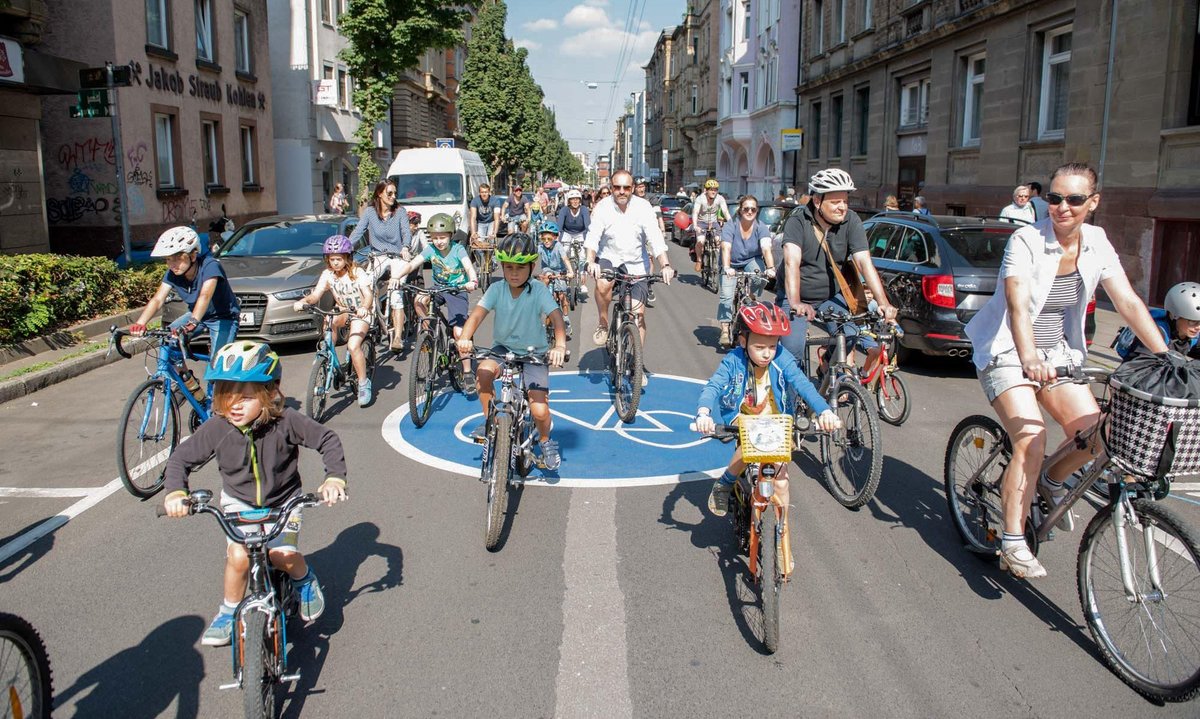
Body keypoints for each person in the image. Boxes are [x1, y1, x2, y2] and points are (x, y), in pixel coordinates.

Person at [964, 162, 1169, 580]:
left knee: (1100, 433)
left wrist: (1165, 357)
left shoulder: (1096, 241)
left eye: (1074, 199)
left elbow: (1127, 302)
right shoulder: (1026, 239)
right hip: (1008, 350)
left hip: (1059, 352)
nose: (1062, 207)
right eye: (1054, 198)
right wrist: (1028, 357)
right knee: (1032, 437)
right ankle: (1012, 539)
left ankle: (1050, 481)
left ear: (1092, 203)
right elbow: (1018, 304)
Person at [162, 341, 348, 646]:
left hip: (284, 501)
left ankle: (304, 581)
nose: (234, 405)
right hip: (239, 502)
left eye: (246, 398)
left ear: (270, 394)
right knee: (238, 557)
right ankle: (228, 611)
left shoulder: (286, 421)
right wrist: (175, 493)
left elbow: (326, 439)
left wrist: (334, 479)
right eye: (226, 396)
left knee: (282, 554)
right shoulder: (217, 428)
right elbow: (181, 459)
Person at [695, 302, 840, 522]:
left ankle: (783, 541)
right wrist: (704, 413)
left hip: (776, 419)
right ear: (743, 341)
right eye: (760, 347)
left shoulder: (782, 358)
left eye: (772, 347)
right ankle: (725, 483)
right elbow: (713, 386)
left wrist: (824, 411)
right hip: (743, 415)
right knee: (749, 444)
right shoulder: (734, 360)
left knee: (781, 481)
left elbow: (803, 384)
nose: (767, 354)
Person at [457, 233, 567, 470]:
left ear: (531, 266)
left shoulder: (538, 290)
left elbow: (556, 317)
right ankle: (491, 422)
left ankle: (546, 441)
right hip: (503, 349)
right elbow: (477, 314)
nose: (513, 273)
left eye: (519, 267)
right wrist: (465, 337)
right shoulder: (497, 289)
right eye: (508, 267)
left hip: (534, 353)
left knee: (539, 410)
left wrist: (559, 345)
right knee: (484, 373)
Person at [777, 168, 897, 370]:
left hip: (829, 297)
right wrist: (796, 302)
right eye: (835, 202)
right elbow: (791, 262)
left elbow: (864, 263)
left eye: (845, 201)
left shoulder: (851, 220)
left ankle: (826, 365)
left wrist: (883, 303)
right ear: (817, 201)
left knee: (850, 335)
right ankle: (790, 398)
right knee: (793, 351)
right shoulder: (798, 221)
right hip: (795, 297)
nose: (842, 207)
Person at [585, 169, 676, 385]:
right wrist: (590, 261)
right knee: (603, 283)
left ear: (633, 188)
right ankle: (603, 322)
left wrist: (665, 264)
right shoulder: (603, 207)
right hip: (610, 257)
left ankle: (636, 362)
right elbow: (593, 237)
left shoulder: (643, 207)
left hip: (636, 263)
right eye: (617, 187)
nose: (622, 191)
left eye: (626, 187)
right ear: (611, 187)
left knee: (638, 314)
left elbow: (655, 238)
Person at [393, 212, 479, 388]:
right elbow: (411, 264)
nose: (438, 241)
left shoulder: (458, 249)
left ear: (450, 235)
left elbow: (469, 267)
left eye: (442, 237)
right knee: (418, 300)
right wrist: (397, 277)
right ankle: (430, 331)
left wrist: (472, 281)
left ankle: (468, 370)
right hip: (438, 288)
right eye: (434, 238)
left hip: (457, 290)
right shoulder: (431, 250)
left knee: (458, 332)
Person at [293, 235, 375, 406]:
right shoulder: (327, 274)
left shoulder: (357, 272)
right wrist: (303, 302)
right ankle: (328, 354)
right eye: (332, 259)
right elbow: (316, 295)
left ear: (347, 258)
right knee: (329, 321)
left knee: (353, 346)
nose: (335, 263)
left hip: (360, 313)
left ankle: (363, 383)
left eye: (339, 259)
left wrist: (364, 307)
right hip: (343, 310)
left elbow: (368, 295)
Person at [130, 226, 240, 354]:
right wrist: (140, 323)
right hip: (197, 316)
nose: (172, 265)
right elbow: (158, 299)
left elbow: (205, 295)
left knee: (218, 363)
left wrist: (193, 322)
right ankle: (181, 372)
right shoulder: (172, 273)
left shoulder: (210, 266)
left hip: (223, 318)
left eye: (177, 258)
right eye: (168, 259)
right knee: (167, 340)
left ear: (193, 256)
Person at [349, 180, 413, 351]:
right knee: (366, 283)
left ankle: (398, 337)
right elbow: (358, 231)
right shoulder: (370, 212)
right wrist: (345, 248)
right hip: (378, 256)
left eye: (394, 193)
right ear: (379, 194)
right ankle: (367, 321)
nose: (393, 197)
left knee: (395, 292)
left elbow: (406, 232)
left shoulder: (400, 212)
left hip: (398, 255)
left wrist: (406, 247)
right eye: (389, 193)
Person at [716, 195, 777, 348]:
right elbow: (726, 248)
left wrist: (770, 268)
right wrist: (727, 267)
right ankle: (724, 328)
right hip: (730, 261)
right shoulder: (731, 225)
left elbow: (766, 248)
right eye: (746, 209)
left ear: (757, 211)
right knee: (727, 296)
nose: (749, 212)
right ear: (740, 210)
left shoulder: (761, 227)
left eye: (753, 209)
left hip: (751, 260)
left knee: (760, 277)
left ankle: (750, 294)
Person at [1114, 282, 1200, 360]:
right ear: (1174, 315)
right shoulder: (1156, 333)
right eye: (1192, 321)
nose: (1198, 327)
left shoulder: (1192, 335)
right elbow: (1139, 366)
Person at [536, 220, 574, 340]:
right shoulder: (541, 247)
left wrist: (571, 271)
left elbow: (565, 259)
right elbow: (532, 258)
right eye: (544, 239)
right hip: (548, 269)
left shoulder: (559, 247)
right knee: (546, 277)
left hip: (560, 271)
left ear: (555, 237)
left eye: (549, 239)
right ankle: (545, 300)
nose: (546, 241)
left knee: (562, 296)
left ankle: (566, 319)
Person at [633, 176, 665, 305]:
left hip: (649, 233)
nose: (641, 189)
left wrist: (662, 231)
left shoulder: (651, 198)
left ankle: (648, 284)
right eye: (639, 186)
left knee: (650, 258)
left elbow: (659, 216)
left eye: (643, 186)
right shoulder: (631, 200)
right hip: (634, 234)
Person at [556, 188, 591, 297]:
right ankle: (565, 274)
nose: (575, 201)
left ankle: (583, 284)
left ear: (580, 200)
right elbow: (559, 227)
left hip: (581, 233)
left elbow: (587, 227)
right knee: (565, 251)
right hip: (567, 233)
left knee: (582, 258)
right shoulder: (564, 210)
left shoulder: (584, 209)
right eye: (572, 199)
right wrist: (559, 240)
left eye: (577, 199)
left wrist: (586, 241)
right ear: (569, 201)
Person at [691, 178, 731, 272]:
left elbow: (725, 212)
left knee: (718, 241)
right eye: (711, 189)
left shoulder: (720, 198)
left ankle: (717, 260)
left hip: (714, 222)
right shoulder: (700, 199)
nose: (713, 192)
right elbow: (695, 212)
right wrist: (695, 225)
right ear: (706, 190)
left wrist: (731, 223)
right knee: (700, 241)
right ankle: (699, 260)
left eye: (715, 189)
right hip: (701, 222)